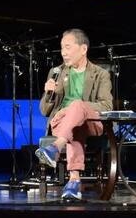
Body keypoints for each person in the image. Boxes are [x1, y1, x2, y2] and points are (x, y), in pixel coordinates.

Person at [34, 28, 113, 200]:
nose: (63, 53)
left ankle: (56, 148)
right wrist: (48, 93)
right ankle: (74, 181)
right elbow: (44, 111)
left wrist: (74, 109)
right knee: (75, 128)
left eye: (68, 47)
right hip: (61, 123)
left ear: (83, 49)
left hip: (91, 122)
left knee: (77, 108)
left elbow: (106, 105)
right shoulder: (56, 72)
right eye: (62, 48)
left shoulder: (101, 74)